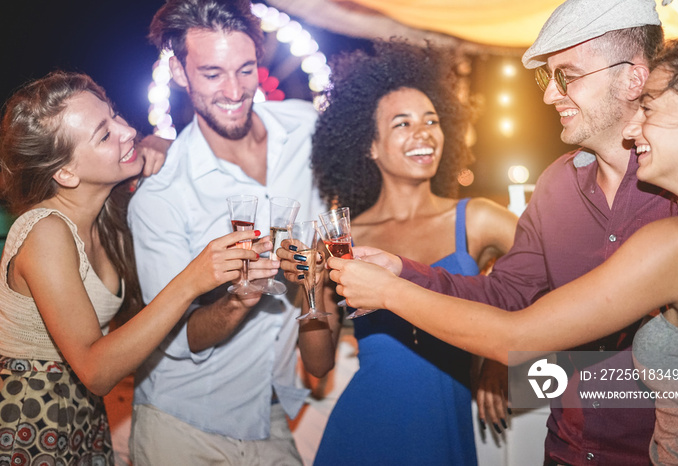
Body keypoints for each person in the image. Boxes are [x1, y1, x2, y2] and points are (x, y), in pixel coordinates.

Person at [329, 0, 676, 464]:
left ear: (633, 77)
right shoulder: (555, 186)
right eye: (547, 78)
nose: (551, 95)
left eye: (567, 75)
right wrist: (404, 271)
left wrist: (394, 292)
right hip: (565, 452)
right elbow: (507, 293)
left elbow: (518, 338)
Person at [0, 71, 260, 464]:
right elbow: (96, 370)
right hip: (29, 417)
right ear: (65, 173)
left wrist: (157, 142)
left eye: (116, 115)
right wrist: (191, 279)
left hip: (79, 414)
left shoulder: (107, 215)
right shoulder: (45, 232)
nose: (127, 130)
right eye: (104, 134)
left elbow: (203, 152)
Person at [127, 0, 341, 464]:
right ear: (180, 73)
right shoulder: (161, 195)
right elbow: (178, 338)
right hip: (182, 427)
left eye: (245, 70)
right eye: (212, 73)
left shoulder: (308, 131)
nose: (234, 90)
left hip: (273, 416)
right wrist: (238, 298)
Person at [300, 40, 517, 465]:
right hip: (361, 434)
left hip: (443, 433)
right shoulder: (343, 238)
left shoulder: (477, 219)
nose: (423, 133)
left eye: (431, 120)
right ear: (370, 145)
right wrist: (308, 289)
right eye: (402, 124)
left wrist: (501, 355)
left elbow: (553, 270)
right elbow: (318, 366)